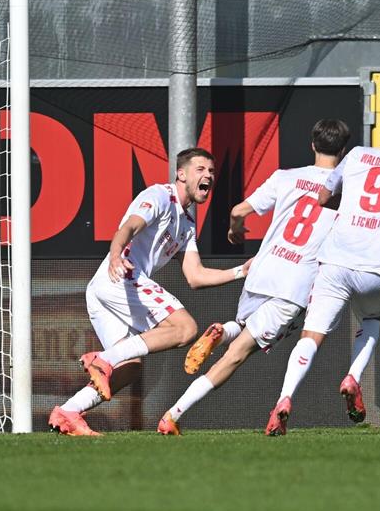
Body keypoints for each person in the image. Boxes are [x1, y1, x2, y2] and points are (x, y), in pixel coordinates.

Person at [156, 120, 349, 435]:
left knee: (246, 328)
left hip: (263, 269)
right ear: (342, 150)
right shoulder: (345, 188)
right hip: (295, 283)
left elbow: (237, 211)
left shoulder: (286, 177)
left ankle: (224, 329)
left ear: (313, 145)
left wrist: (235, 230)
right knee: (237, 355)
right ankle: (173, 415)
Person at [48, 148, 251, 436]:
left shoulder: (188, 225)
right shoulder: (159, 196)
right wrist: (116, 254)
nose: (208, 175)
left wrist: (242, 271)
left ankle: (68, 411)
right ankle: (102, 359)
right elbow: (129, 226)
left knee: (130, 367)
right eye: (200, 169)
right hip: (120, 276)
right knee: (185, 328)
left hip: (104, 290)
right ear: (181, 174)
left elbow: (195, 276)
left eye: (211, 171)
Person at [266, 105, 380, 436]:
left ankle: (284, 399)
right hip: (375, 266)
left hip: (336, 259)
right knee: (370, 321)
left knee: (311, 336)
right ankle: (353, 377)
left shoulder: (356, 155)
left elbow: (324, 194)